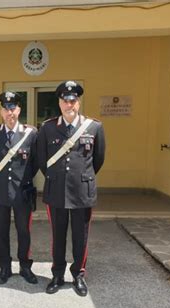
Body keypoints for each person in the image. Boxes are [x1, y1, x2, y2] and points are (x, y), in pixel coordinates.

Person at [37, 80, 105, 296]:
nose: (69, 105)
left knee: (80, 236)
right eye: (65, 101)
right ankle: (57, 275)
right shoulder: (47, 127)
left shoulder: (94, 127)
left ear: (78, 102)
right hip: (56, 190)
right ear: (59, 103)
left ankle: (78, 275)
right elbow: (41, 159)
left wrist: (81, 177)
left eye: (73, 100)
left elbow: (98, 160)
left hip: (82, 192)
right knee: (58, 236)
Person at [0, 91, 39, 285]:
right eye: (6, 109)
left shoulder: (31, 133)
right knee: (1, 231)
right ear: (1, 111)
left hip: (22, 192)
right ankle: (5, 268)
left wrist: (21, 181)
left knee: (24, 231)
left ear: (19, 110)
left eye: (13, 108)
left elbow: (36, 163)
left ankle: (25, 267)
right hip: (0, 191)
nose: (10, 113)